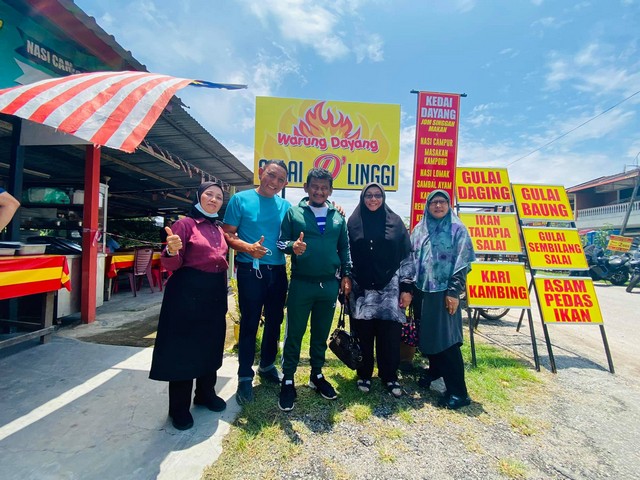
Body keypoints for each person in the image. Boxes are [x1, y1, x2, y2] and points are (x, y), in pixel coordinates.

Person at [149, 181, 229, 430]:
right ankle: (179, 408)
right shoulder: (185, 225)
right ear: (198, 197)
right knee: (183, 349)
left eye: (218, 197)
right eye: (209, 194)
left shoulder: (217, 228)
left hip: (214, 292)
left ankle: (205, 394)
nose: (214, 199)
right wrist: (172, 252)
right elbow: (171, 265)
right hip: (187, 293)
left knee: (210, 344)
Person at [276, 167, 352, 412]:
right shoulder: (294, 213)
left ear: (330, 190)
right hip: (301, 283)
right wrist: (292, 246)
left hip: (328, 284)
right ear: (306, 188)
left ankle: (316, 375)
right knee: (294, 333)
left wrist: (346, 275)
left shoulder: (337, 216)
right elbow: (280, 242)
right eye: (315, 187)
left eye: (324, 188)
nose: (319, 191)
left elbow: (345, 248)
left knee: (320, 333)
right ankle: (288, 379)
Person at [222, 160, 291, 405]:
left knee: (275, 321)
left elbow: (289, 238)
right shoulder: (240, 200)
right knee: (250, 323)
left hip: (278, 271)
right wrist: (248, 247)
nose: (275, 182)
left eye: (280, 180)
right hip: (251, 271)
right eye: (271, 175)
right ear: (261, 173)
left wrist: (335, 208)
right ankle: (244, 376)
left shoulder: (286, 206)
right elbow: (227, 233)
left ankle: (267, 365)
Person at [347, 183, 415, 398]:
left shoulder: (396, 223)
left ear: (384, 198)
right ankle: (364, 374)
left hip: (390, 290)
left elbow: (407, 256)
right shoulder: (353, 222)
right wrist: (345, 279)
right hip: (361, 291)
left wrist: (407, 287)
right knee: (363, 334)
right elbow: (345, 253)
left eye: (377, 195)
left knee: (389, 336)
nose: (373, 199)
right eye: (368, 195)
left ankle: (389, 376)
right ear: (362, 198)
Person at [411, 189, 476, 410]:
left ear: (449, 205)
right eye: (434, 202)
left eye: (442, 202)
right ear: (427, 206)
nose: (438, 206)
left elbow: (463, 262)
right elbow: (411, 258)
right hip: (422, 291)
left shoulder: (457, 229)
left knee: (447, 341)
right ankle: (435, 371)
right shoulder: (420, 229)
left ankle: (458, 392)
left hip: (444, 292)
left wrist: (453, 292)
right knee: (428, 336)